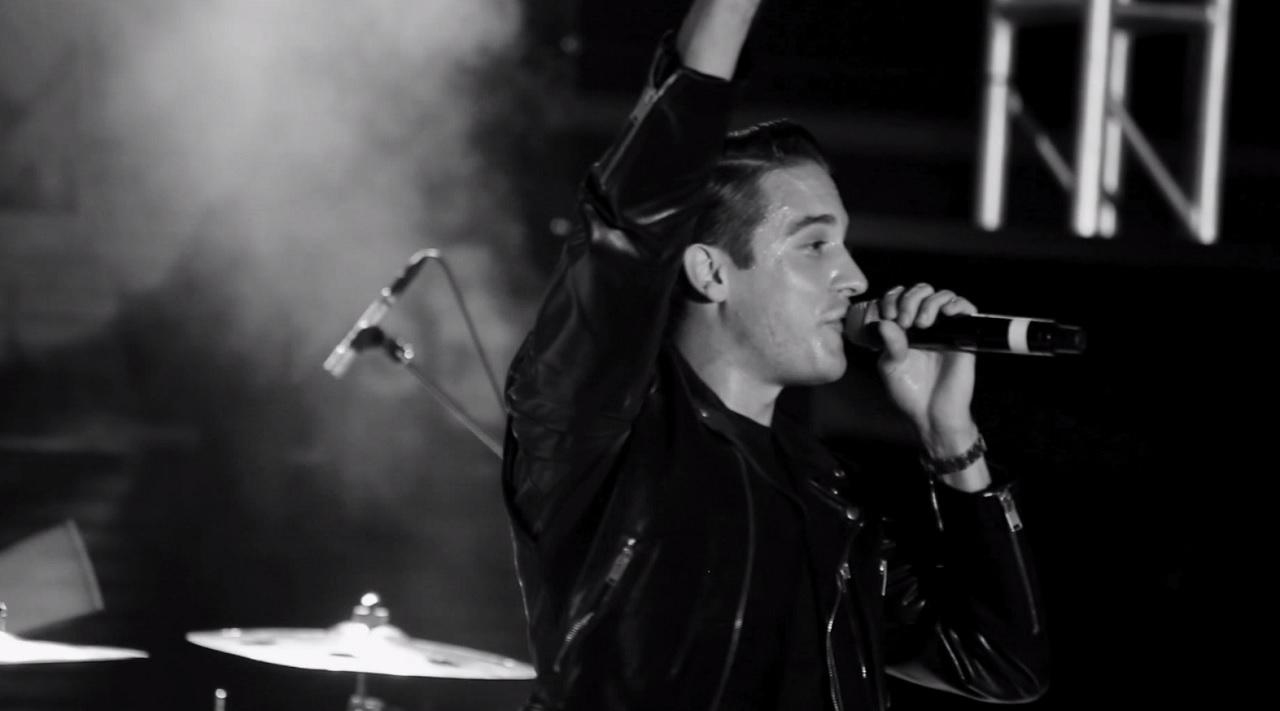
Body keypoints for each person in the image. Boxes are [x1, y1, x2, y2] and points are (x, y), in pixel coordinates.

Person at [500, 1, 1050, 708]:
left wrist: (952, 440)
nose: (855, 278)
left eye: (844, 244)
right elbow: (628, 223)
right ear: (710, 271)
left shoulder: (831, 494)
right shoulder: (599, 422)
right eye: (815, 244)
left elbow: (1002, 666)